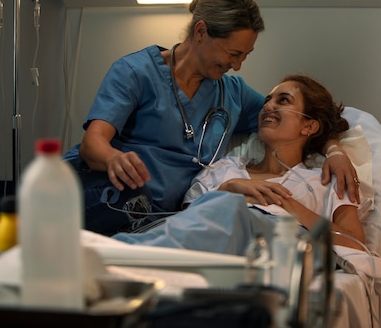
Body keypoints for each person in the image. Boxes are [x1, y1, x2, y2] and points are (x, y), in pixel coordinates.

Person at [63, 0, 359, 236]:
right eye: (233, 53)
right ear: (201, 32)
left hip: (159, 219)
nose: (239, 64)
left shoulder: (233, 93)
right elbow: (94, 144)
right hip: (107, 191)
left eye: (245, 55)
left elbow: (299, 120)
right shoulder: (135, 72)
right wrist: (114, 158)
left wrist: (334, 150)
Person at [112, 74, 366, 253]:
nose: (268, 106)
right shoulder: (224, 170)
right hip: (209, 251)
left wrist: (288, 206)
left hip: (276, 246)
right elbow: (186, 227)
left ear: (309, 125)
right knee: (228, 209)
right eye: (268, 99)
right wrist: (228, 190)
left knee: (236, 212)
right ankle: (116, 252)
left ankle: (116, 253)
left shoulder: (325, 180)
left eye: (283, 100)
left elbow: (356, 243)